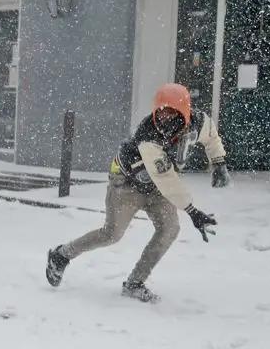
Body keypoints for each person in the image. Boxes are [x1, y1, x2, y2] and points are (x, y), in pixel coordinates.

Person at [45, 83, 224, 303]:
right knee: (112, 234)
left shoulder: (198, 122)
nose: (164, 118)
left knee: (169, 229)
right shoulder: (148, 137)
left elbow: (212, 137)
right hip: (127, 185)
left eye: (171, 112)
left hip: (156, 187)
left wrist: (219, 162)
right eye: (161, 111)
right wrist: (192, 211)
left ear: (185, 112)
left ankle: (135, 283)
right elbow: (167, 179)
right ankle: (61, 254)